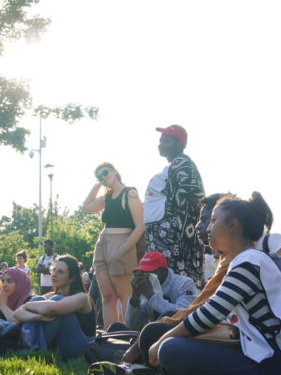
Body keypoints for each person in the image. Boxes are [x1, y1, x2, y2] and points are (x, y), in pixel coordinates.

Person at [144, 193, 281, 375]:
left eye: (213, 221)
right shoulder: (247, 260)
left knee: (170, 348)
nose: (208, 227)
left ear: (233, 226)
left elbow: (209, 314)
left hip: (275, 363)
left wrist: (162, 340)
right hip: (267, 355)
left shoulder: (249, 262)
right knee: (173, 342)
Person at [82, 162, 145, 328]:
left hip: (122, 243)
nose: (103, 177)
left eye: (104, 173)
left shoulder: (129, 193)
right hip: (102, 244)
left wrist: (123, 249)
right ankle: (112, 337)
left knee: (125, 296)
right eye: (99, 176)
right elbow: (86, 206)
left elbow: (140, 226)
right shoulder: (107, 198)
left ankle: (128, 336)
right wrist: (97, 184)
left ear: (114, 171)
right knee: (107, 297)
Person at [143, 125, 206, 284]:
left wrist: (196, 229)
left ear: (179, 144)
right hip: (164, 240)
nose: (160, 144)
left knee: (178, 282)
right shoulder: (173, 165)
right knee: (166, 282)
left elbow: (196, 199)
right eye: (160, 141)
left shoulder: (182, 163)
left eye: (166, 141)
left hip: (174, 240)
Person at [8, 255, 95, 360]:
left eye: (60, 272)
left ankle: (31, 347)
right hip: (60, 346)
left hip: (82, 347)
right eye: (53, 270)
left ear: (72, 278)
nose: (54, 274)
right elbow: (17, 313)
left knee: (55, 300)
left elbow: (53, 308)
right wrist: (37, 317)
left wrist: (26, 305)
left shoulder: (81, 297)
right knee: (38, 300)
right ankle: (30, 346)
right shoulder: (51, 295)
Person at [125, 251, 197, 331]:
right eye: (142, 272)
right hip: (153, 335)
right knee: (115, 327)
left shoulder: (184, 283)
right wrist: (135, 300)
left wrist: (152, 297)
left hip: (178, 334)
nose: (145, 277)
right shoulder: (146, 286)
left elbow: (182, 315)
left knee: (166, 317)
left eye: (149, 272)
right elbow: (132, 326)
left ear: (163, 271)